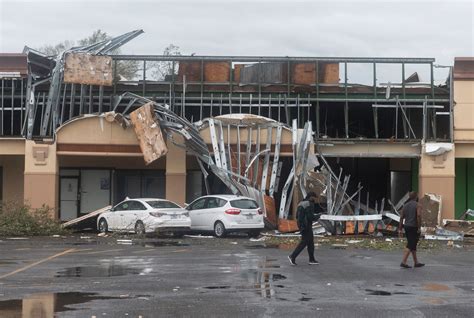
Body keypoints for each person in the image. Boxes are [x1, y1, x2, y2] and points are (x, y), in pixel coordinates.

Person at [288, 192, 320, 266]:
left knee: (310, 242)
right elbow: (310, 217)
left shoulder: (301, 203)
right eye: (315, 198)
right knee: (304, 242)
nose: (315, 200)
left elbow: (297, 216)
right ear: (312, 197)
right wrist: (318, 216)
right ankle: (292, 256)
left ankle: (311, 259)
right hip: (306, 225)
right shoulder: (309, 204)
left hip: (301, 224)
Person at [398, 191, 425, 268]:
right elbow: (419, 216)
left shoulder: (405, 205)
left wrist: (400, 229)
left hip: (406, 226)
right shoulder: (418, 205)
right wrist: (419, 227)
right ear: (416, 197)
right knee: (411, 244)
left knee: (413, 244)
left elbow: (401, 217)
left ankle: (416, 262)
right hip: (414, 227)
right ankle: (403, 262)